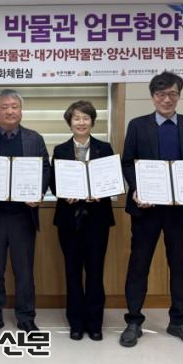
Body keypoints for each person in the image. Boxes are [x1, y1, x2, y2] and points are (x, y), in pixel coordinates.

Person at [120, 71, 183, 348]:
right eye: (161, 94)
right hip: (145, 209)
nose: (167, 99)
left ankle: (179, 322)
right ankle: (134, 321)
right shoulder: (137, 125)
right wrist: (137, 189)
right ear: (152, 97)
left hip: (179, 211)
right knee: (139, 265)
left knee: (179, 266)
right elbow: (127, 162)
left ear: (179, 96)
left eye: (172, 94)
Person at [0, 88, 51, 333]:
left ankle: (26, 316)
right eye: (4, 107)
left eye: (14, 106)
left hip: (22, 216)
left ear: (21, 111)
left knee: (24, 271)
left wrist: (38, 192)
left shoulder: (35, 139)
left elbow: (45, 169)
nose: (10, 111)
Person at [50, 100, 115, 341]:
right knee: (72, 272)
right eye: (76, 118)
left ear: (92, 122)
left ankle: (95, 323)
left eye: (85, 118)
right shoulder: (60, 150)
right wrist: (63, 193)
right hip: (69, 220)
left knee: (95, 272)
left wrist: (102, 192)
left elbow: (112, 179)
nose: (81, 122)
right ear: (69, 123)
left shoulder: (105, 148)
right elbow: (53, 182)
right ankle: (76, 322)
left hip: (97, 220)